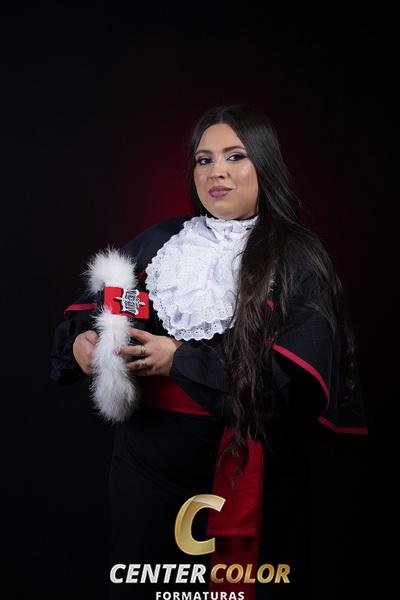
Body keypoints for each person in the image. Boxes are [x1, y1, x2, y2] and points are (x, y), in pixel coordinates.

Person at [50, 104, 368, 599]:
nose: (217, 171)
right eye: (204, 159)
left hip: (241, 472)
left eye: (235, 156)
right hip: (143, 474)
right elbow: (98, 308)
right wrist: (80, 342)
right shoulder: (160, 243)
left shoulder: (297, 259)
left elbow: (293, 387)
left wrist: (179, 360)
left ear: (265, 164)